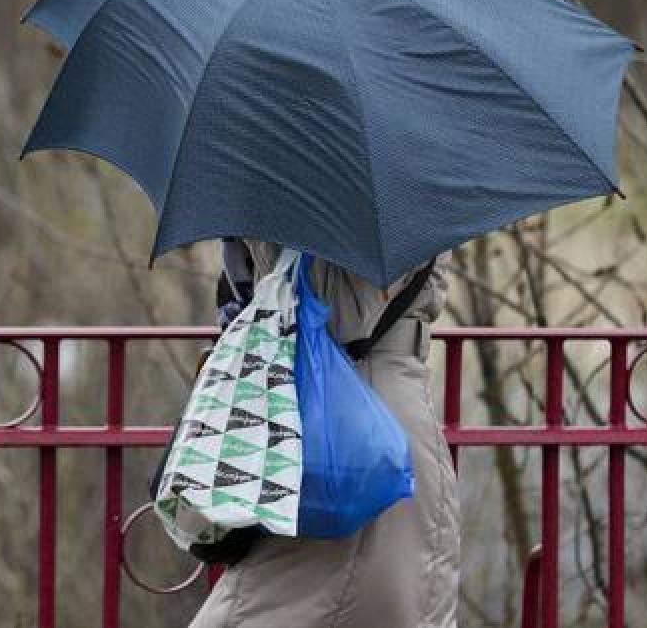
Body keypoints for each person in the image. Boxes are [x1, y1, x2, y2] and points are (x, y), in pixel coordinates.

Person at [189, 240, 461, 628]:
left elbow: (343, 318)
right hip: (354, 419)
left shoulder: (359, 201)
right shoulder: (387, 196)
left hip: (348, 431)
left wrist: (265, 237)